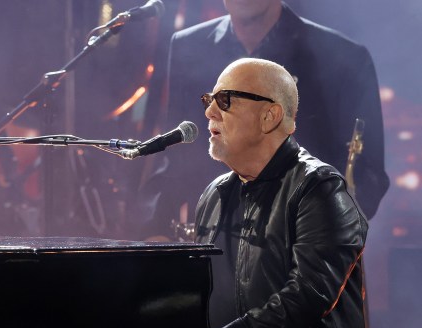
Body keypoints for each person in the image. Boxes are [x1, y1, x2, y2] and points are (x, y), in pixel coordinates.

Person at [193, 57, 369, 328]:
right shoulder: (215, 195)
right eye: (208, 98)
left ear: (270, 115)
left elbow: (307, 295)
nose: (207, 111)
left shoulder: (319, 189)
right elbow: (201, 291)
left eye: (224, 100)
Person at [139, 0, 388, 239]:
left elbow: (367, 176)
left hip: (299, 251)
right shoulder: (187, 46)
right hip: (210, 249)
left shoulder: (343, 58)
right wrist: (155, 229)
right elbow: (174, 157)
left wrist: (318, 238)